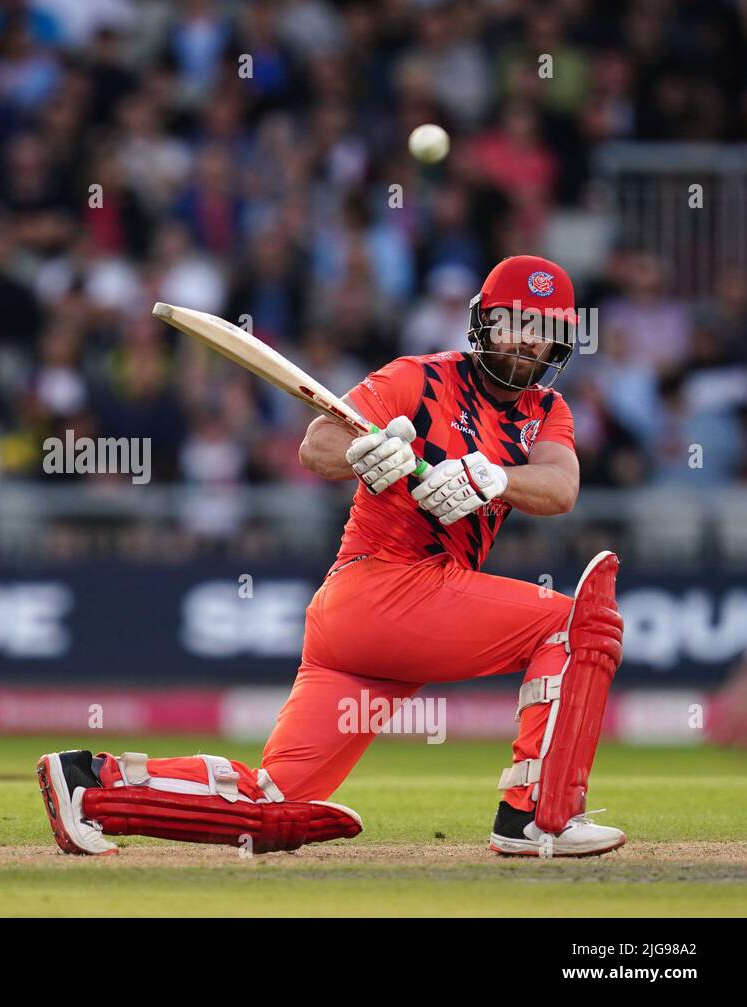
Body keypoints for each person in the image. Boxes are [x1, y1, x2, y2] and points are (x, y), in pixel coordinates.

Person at [38, 255, 626, 859]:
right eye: (514, 322)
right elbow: (318, 445)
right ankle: (537, 817)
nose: (528, 339)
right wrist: (369, 454)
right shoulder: (419, 378)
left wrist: (493, 478)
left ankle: (90, 785)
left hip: (375, 630)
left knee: (273, 801)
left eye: (544, 327)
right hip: (383, 588)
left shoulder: (546, 412)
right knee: (575, 622)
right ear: (484, 323)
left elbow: (561, 488)